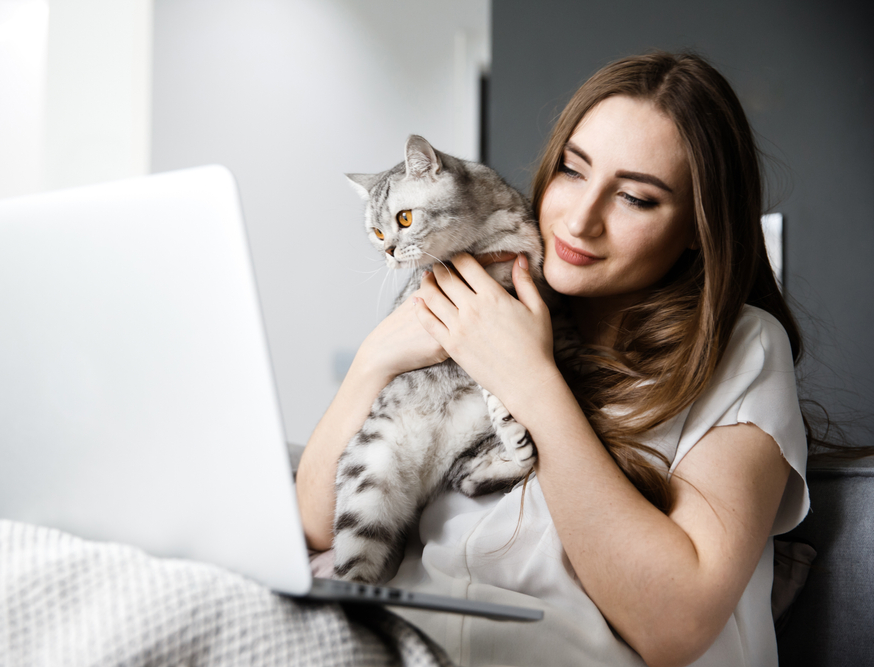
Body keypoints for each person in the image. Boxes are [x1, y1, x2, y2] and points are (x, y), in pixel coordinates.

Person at [296, 52, 809, 667]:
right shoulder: (476, 303)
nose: (579, 219)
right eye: (571, 171)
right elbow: (320, 528)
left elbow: (674, 624)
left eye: (636, 199)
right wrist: (374, 360)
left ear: (699, 226)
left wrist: (532, 381)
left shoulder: (743, 346)